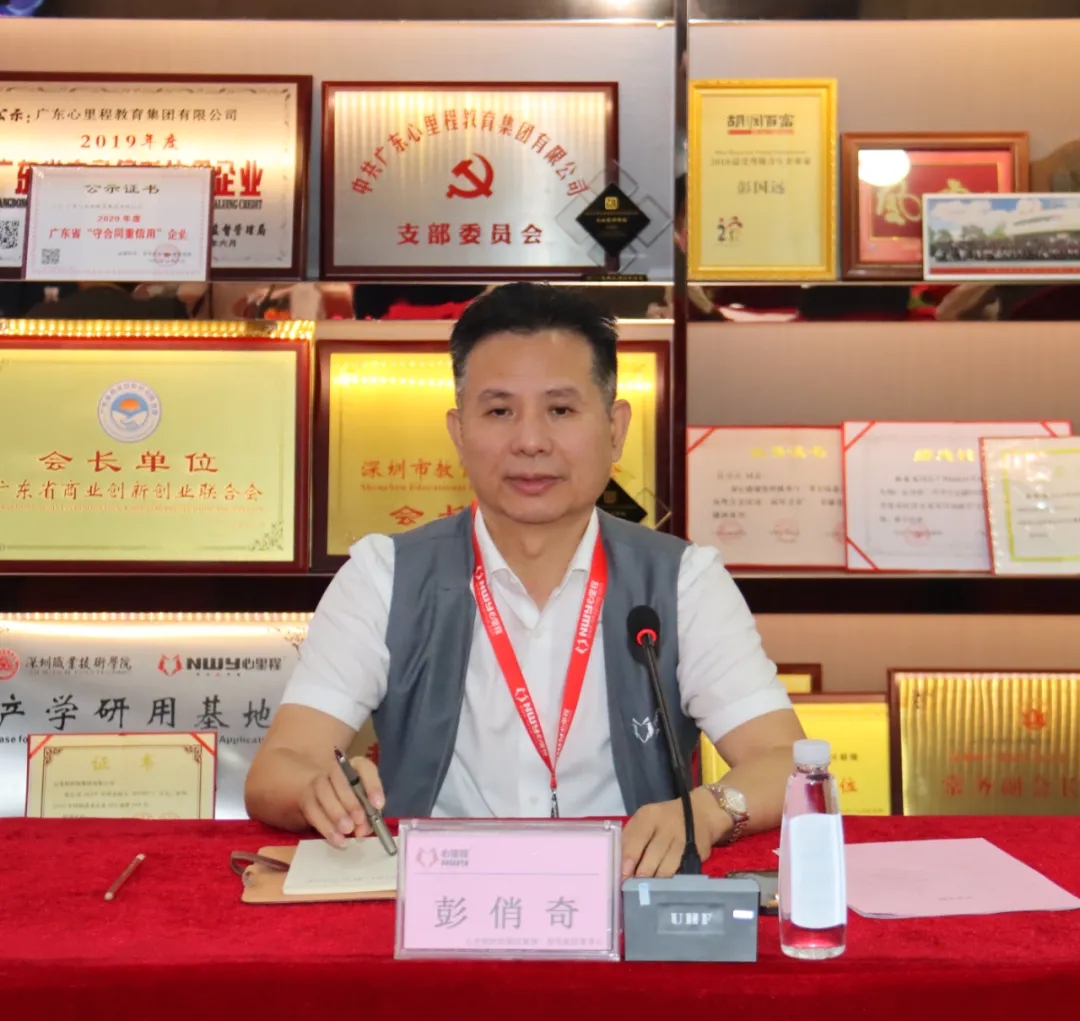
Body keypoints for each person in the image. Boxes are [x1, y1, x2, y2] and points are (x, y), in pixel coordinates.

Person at [246, 282, 803, 878]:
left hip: (622, 898)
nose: (531, 442)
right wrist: (319, 790)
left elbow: (787, 763)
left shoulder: (682, 582)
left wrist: (708, 811)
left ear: (615, 428)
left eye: (560, 410)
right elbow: (278, 768)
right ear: (459, 433)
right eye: (499, 411)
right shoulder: (384, 576)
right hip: (435, 901)